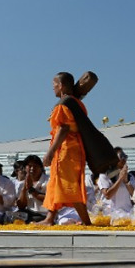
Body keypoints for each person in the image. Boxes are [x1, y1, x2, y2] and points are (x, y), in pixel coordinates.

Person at [39, 72, 91, 226]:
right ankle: (49, 218)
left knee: (69, 185)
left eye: (54, 85)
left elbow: (63, 129)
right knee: (56, 183)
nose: (53, 89)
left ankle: (87, 221)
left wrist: (50, 152)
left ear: (61, 86)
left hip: (66, 150)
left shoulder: (64, 104)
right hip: (71, 150)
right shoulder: (76, 103)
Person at [96, 147, 134, 224]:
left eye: (125, 156)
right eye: (121, 156)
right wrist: (120, 179)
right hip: (109, 215)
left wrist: (126, 181)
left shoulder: (130, 176)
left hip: (127, 214)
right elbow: (107, 195)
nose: (124, 159)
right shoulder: (104, 175)